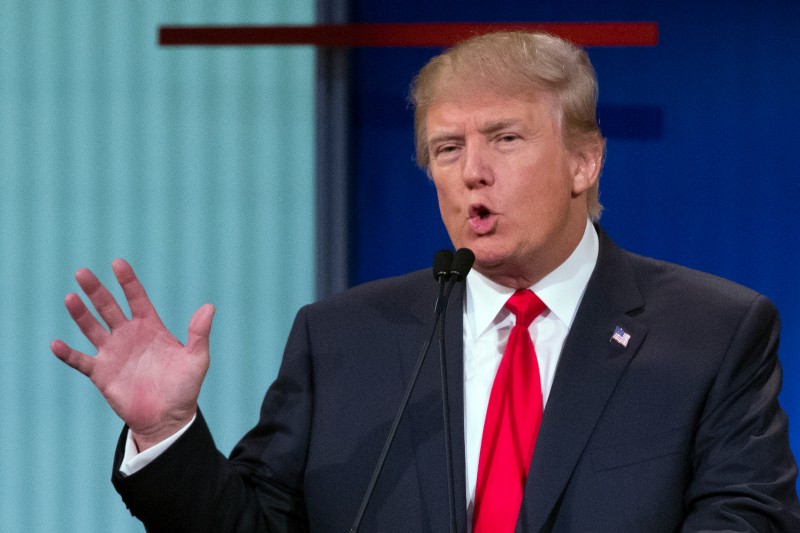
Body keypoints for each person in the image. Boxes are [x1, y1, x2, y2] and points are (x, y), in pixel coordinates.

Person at [52, 31, 800, 532]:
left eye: (506, 138)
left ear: (585, 161)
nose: (473, 170)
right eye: (447, 147)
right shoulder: (342, 338)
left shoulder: (710, 334)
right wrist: (165, 432)